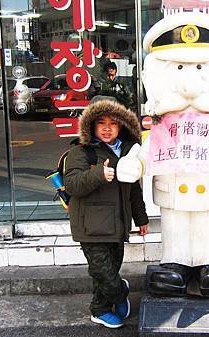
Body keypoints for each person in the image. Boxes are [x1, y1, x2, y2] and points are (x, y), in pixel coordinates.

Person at [63, 96, 149, 329]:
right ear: (91, 125)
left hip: (118, 225)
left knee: (108, 271)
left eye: (114, 122)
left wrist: (141, 218)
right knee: (104, 273)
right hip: (90, 227)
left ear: (122, 125)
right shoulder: (82, 152)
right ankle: (109, 302)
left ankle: (106, 301)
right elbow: (72, 184)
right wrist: (99, 175)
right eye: (101, 122)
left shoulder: (128, 152)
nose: (108, 128)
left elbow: (134, 191)